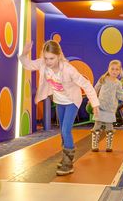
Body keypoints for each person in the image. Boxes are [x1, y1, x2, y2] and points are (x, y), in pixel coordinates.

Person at [19, 40, 99, 176]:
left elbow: (86, 84)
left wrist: (95, 104)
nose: (48, 61)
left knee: (66, 130)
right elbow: (27, 64)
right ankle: (65, 157)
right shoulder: (43, 64)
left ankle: (68, 163)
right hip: (59, 101)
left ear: (59, 55)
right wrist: (24, 53)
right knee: (62, 132)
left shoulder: (68, 69)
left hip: (72, 101)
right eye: (46, 58)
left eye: (52, 58)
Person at [91, 60, 123, 152]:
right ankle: (94, 145)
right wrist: (93, 101)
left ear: (120, 71)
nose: (114, 71)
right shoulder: (103, 79)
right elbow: (95, 88)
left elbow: (120, 96)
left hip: (110, 109)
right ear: (108, 69)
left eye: (117, 69)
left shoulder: (118, 83)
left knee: (109, 128)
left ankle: (109, 146)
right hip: (100, 107)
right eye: (112, 69)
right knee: (97, 126)